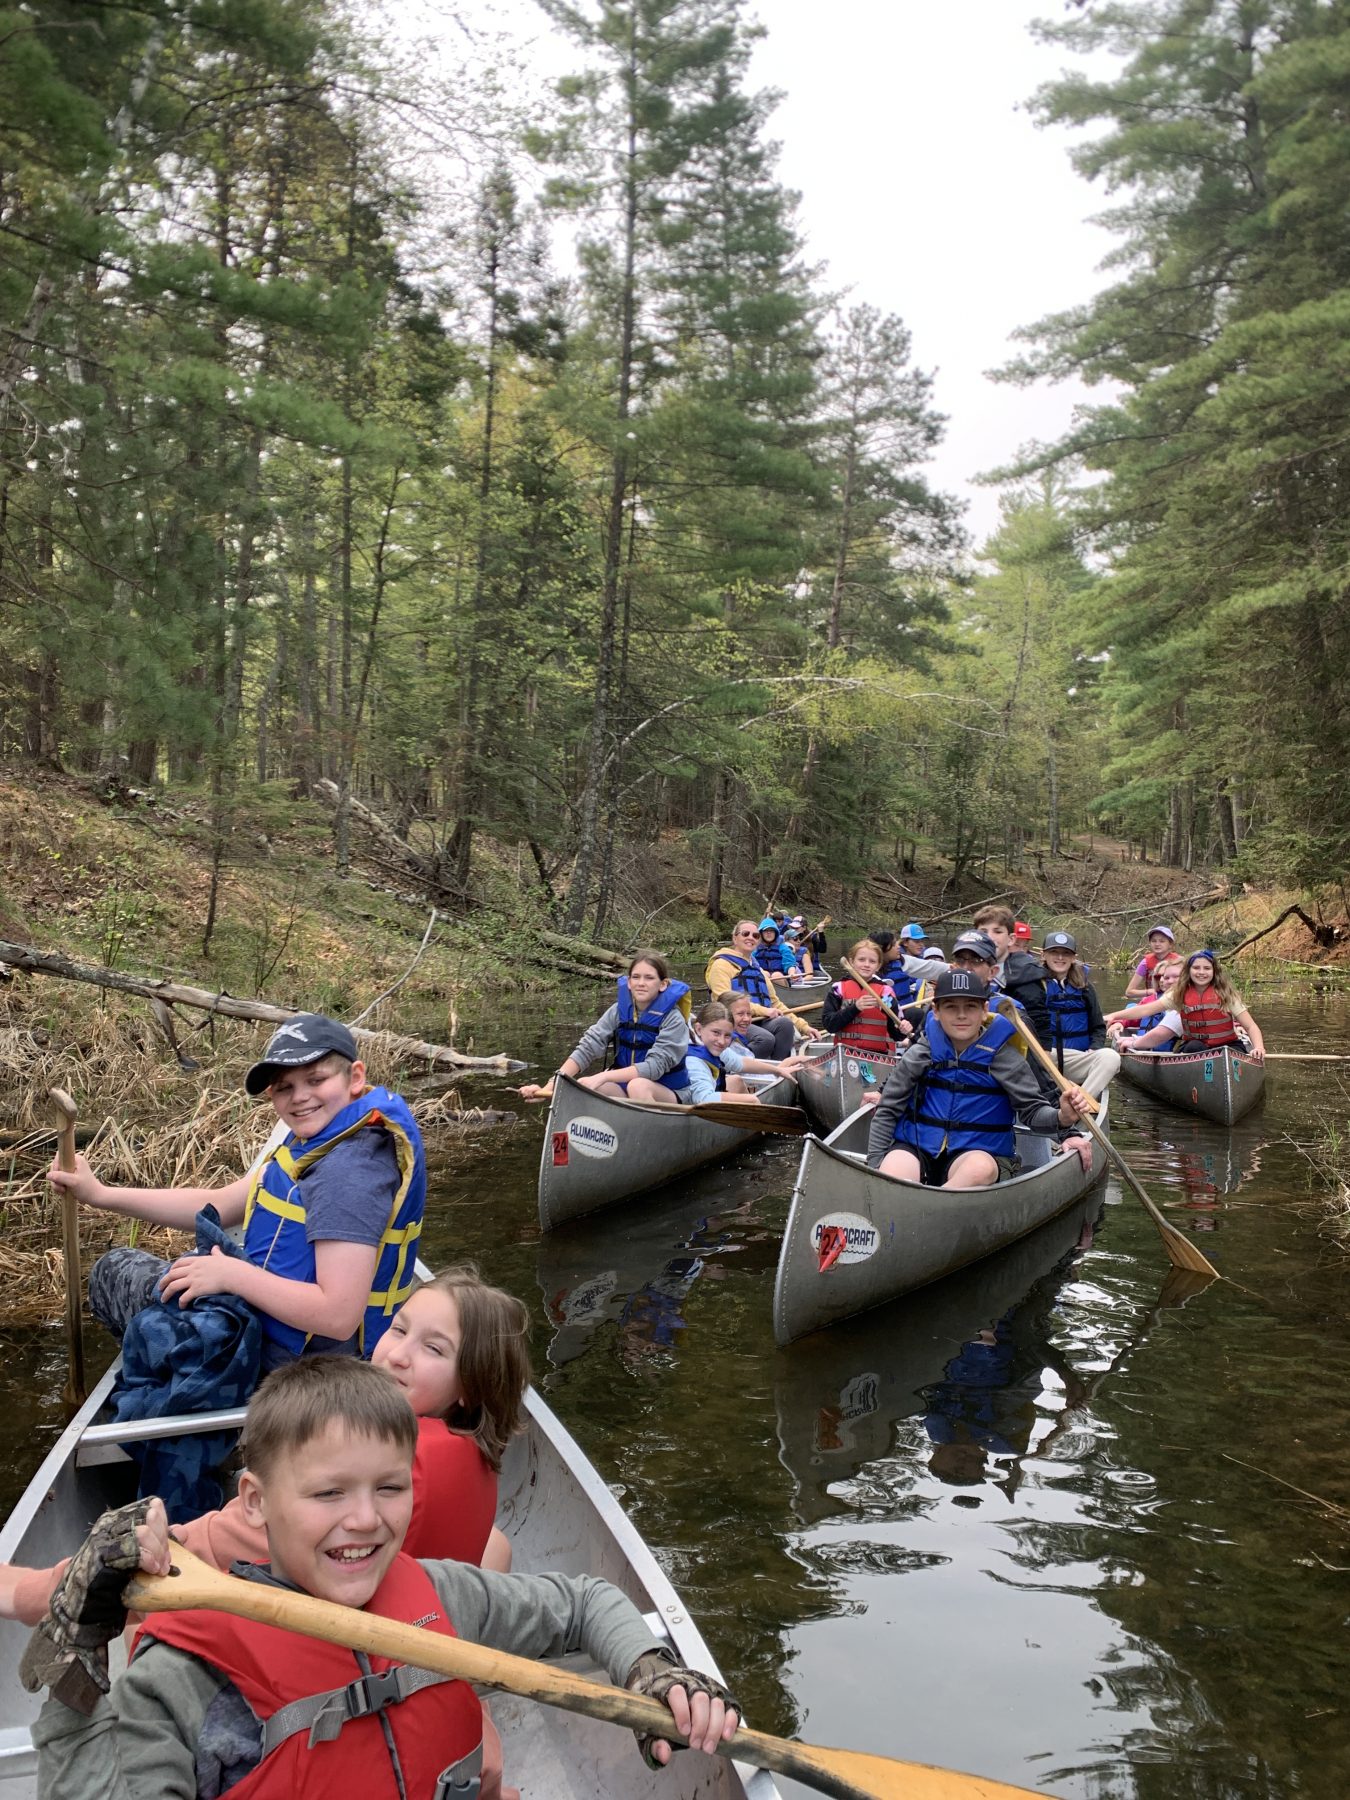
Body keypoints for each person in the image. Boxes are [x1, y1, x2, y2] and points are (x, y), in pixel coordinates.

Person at [22, 1359, 740, 1800]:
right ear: (254, 1501)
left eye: (390, 1489)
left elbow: (584, 1603)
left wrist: (648, 1670)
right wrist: (78, 1650)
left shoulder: (436, 1591)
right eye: (328, 1494)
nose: (365, 1521)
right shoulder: (188, 1678)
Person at [0, 1266, 528, 1616]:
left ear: (472, 1385)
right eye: (398, 1329)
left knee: (148, 1554)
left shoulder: (376, 1463)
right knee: (496, 1545)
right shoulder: (469, 1447)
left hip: (330, 1625)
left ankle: (31, 1592)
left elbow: (223, 1541)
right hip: (405, 1607)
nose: (396, 1354)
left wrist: (172, 1537)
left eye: (433, 1349)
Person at [48, 1014, 426, 1374]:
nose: (300, 1097)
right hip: (272, 1332)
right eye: (284, 1087)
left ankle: (189, 1378)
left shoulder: (347, 1173)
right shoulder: (325, 1140)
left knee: (112, 1271)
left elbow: (338, 1316)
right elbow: (219, 1205)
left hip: (296, 1367)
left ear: (355, 1077)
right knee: (161, 1274)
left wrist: (232, 1275)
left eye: (315, 1079)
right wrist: (99, 1193)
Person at [865, 970, 1092, 1188]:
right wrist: (876, 1167)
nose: (961, 1015)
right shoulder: (920, 1053)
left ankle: (937, 1206)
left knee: (978, 1169)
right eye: (951, 1007)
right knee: (893, 1168)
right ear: (936, 1011)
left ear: (984, 1010)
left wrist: (1062, 1117)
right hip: (917, 1147)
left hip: (979, 1153)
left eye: (970, 1007)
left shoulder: (1005, 1058)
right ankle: (904, 1199)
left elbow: (1033, 1112)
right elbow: (888, 1110)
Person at [519, 951, 692, 1107]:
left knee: (637, 1085)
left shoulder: (673, 1019)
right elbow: (587, 1048)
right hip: (628, 1086)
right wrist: (550, 1086)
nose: (641, 983)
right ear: (629, 983)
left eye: (649, 978)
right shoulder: (618, 1011)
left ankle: (647, 1139)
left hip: (670, 1090)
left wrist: (604, 1075)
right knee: (590, 1086)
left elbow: (654, 1067)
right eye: (636, 977)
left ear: (663, 984)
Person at [1107, 948, 1266, 1061]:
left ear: (1214, 972)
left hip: (1228, 1045)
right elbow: (1145, 1010)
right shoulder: (1179, 994)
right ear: (1188, 971)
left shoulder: (1227, 994)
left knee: (1232, 1053)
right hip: (1197, 1047)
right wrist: (1115, 1016)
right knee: (1193, 1048)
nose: (1201, 972)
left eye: (1207, 968)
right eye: (1196, 968)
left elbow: (1251, 1027)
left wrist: (1258, 1047)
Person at [704, 920, 813, 1058]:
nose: (751, 938)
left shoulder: (757, 969)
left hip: (760, 1020)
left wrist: (805, 1027)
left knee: (785, 1025)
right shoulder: (721, 965)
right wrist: (764, 1011)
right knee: (764, 1039)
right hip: (733, 1021)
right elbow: (723, 1000)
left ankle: (779, 1069)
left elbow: (776, 1004)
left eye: (755, 936)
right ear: (735, 938)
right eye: (745, 934)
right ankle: (745, 1069)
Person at [1039, 931, 1120, 1098]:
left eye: (1066, 953)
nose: (1060, 957)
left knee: (1110, 1057)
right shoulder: (1034, 985)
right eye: (1054, 952)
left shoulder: (1085, 987)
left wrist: (1094, 1048)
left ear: (1073, 957)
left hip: (1077, 1058)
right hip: (1046, 1057)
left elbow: (1098, 1027)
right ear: (1044, 955)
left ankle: (1080, 1102)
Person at [685, 1001, 808, 1102]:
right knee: (740, 1088)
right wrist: (750, 1100)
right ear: (699, 1029)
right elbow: (704, 1099)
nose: (722, 1041)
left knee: (736, 1080)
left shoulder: (710, 1045)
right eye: (716, 1033)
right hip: (694, 1106)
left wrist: (778, 1070)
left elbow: (740, 1062)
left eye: (727, 1035)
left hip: (704, 1096)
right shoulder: (694, 1062)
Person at [822, 939, 905, 1058]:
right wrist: (855, 1008)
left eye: (872, 961)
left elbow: (896, 1035)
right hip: (845, 1055)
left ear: (878, 966)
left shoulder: (886, 993)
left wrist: (903, 1029)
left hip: (878, 1057)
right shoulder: (838, 989)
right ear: (851, 962)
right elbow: (829, 1026)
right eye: (861, 960)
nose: (866, 964)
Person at [872, 927, 941, 1007]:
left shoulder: (901, 960)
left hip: (910, 1006)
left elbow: (930, 966)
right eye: (916, 941)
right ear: (905, 942)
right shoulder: (877, 970)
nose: (921, 944)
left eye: (922, 941)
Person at [1125, 925, 1178, 999]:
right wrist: (1150, 992)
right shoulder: (1145, 963)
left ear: (1170, 944)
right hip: (1153, 999)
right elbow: (1129, 992)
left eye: (1162, 941)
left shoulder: (1179, 961)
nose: (1157, 944)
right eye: (1153, 941)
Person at [753, 915, 800, 986]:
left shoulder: (783, 947)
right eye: (766, 931)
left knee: (776, 975)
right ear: (761, 933)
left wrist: (792, 972)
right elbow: (751, 963)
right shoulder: (755, 948)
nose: (769, 933)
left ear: (776, 933)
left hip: (781, 979)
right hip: (763, 978)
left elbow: (789, 963)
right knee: (764, 974)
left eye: (771, 931)